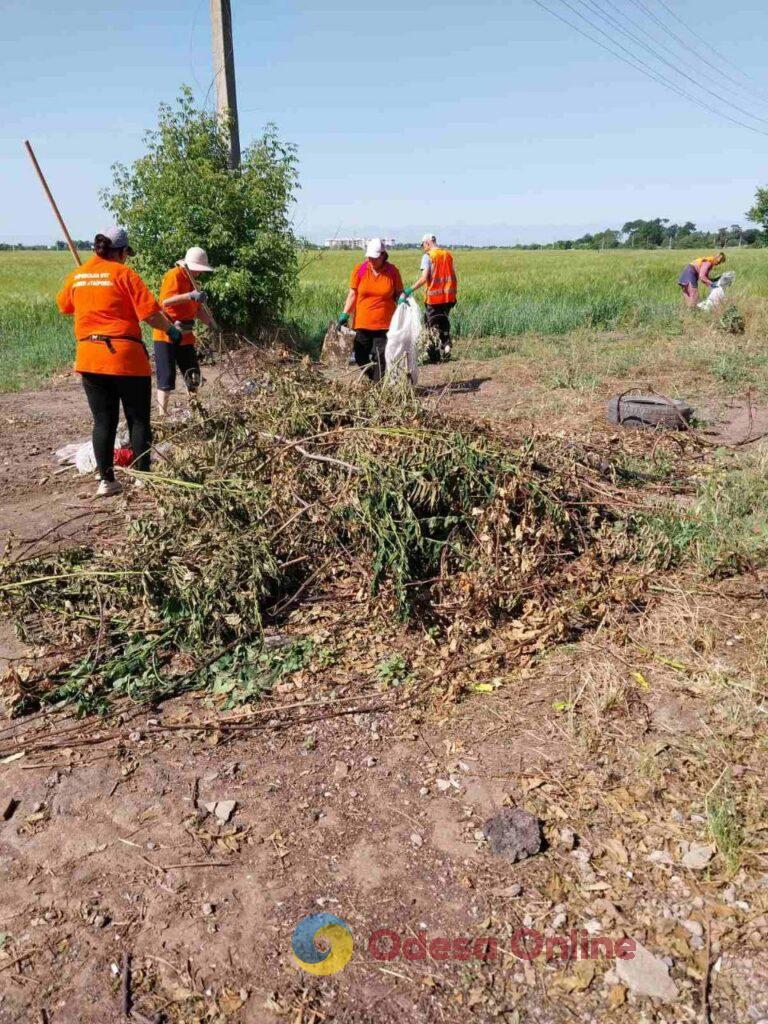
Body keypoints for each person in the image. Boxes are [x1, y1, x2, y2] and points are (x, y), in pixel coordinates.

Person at [56, 226, 182, 497]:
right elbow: (150, 313)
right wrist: (171, 330)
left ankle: (107, 481)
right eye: (126, 253)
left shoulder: (78, 275)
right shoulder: (124, 274)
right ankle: (142, 477)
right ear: (122, 252)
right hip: (125, 358)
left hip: (90, 358)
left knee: (103, 421)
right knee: (138, 419)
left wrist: (89, 288)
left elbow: (64, 306)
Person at [152, 246, 219, 416]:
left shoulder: (193, 281)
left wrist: (210, 323)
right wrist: (190, 295)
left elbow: (198, 309)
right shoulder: (174, 275)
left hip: (186, 335)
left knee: (193, 375)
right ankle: (162, 416)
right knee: (166, 378)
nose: (200, 273)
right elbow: (166, 301)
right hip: (167, 333)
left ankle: (196, 411)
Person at [338, 238, 404, 381]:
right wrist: (344, 314)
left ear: (382, 256)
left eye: (374, 258)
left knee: (380, 356)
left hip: (384, 325)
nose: (370, 260)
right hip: (362, 323)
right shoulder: (361, 269)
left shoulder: (392, 271)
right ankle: (373, 376)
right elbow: (353, 293)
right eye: (368, 257)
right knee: (360, 356)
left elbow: (399, 292)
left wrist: (402, 299)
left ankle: (377, 385)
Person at [399, 233, 458, 362]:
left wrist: (409, 290)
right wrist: (454, 295)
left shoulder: (428, 256)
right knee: (444, 322)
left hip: (434, 299)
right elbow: (453, 276)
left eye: (422, 245)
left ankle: (434, 356)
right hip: (448, 297)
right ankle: (447, 346)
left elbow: (424, 278)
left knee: (430, 327)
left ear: (427, 243)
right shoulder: (447, 255)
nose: (422, 248)